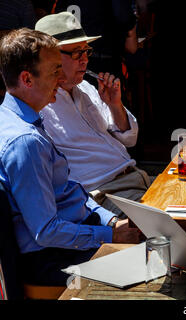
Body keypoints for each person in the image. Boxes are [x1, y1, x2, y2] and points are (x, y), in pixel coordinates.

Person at [0, 28, 141, 286]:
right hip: (54, 259)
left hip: (69, 240)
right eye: (55, 71)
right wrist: (109, 234)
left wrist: (110, 222)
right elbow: (46, 231)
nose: (60, 78)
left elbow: (69, 191)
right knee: (155, 264)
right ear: (27, 79)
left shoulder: (21, 118)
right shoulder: (25, 141)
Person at [35, 12, 150, 217]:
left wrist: (115, 104)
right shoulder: (40, 104)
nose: (85, 60)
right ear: (50, 57)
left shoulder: (86, 88)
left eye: (86, 51)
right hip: (103, 195)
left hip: (135, 179)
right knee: (176, 230)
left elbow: (130, 138)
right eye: (77, 53)